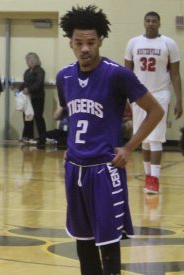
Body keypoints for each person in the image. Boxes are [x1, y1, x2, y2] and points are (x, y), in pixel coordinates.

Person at [57, 5, 164, 275]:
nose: (85, 49)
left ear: (100, 41)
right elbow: (71, 115)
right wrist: (70, 148)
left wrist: (129, 147)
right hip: (75, 170)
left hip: (105, 170)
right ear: (70, 42)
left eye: (91, 42)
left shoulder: (117, 74)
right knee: (83, 241)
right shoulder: (64, 77)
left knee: (108, 242)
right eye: (78, 43)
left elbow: (155, 111)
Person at [124, 11, 183, 194]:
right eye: (148, 21)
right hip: (139, 95)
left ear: (159, 23)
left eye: (154, 21)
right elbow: (127, 74)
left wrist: (179, 99)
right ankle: (148, 176)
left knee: (156, 138)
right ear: (144, 23)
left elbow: (175, 74)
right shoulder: (133, 43)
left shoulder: (168, 43)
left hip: (160, 94)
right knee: (144, 140)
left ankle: (154, 180)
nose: (150, 24)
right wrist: (126, 97)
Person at [20, 52, 47, 145]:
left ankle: (42, 138)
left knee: (38, 117)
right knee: (27, 116)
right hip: (28, 99)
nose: (26, 62)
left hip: (37, 97)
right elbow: (25, 83)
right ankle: (27, 136)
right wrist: (19, 90)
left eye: (27, 60)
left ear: (32, 60)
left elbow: (39, 83)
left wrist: (29, 89)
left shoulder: (40, 71)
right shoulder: (27, 71)